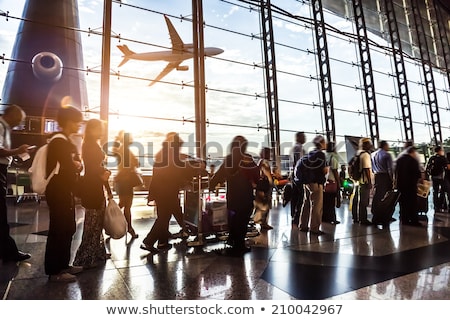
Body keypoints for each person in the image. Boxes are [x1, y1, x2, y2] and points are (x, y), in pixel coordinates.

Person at [141, 132, 204, 254]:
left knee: (164, 216)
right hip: (167, 191)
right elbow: (180, 170)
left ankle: (162, 242)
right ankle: (148, 241)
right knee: (163, 218)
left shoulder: (162, 153)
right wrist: (196, 168)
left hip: (160, 191)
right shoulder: (172, 155)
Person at [45, 106, 84, 282]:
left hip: (63, 190)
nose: (79, 125)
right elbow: (68, 167)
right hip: (58, 191)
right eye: (77, 121)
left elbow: (73, 165)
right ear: (69, 121)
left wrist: (76, 165)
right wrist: (76, 166)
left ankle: (63, 265)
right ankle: (55, 271)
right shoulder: (59, 141)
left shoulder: (63, 141)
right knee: (59, 229)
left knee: (68, 228)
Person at [210, 135, 259, 255]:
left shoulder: (228, 160)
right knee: (242, 222)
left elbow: (219, 175)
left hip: (232, 196)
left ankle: (233, 242)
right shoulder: (247, 159)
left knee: (235, 220)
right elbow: (256, 176)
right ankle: (239, 246)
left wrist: (211, 185)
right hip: (245, 196)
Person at [73, 119, 111, 269]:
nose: (102, 131)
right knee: (93, 222)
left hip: (94, 186)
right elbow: (94, 167)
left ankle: (97, 252)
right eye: (99, 128)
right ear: (93, 129)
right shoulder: (90, 145)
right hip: (93, 187)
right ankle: (85, 257)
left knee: (96, 222)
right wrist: (104, 173)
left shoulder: (89, 144)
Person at [0, 104, 32, 262]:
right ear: (11, 115)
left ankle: (7, 250)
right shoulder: (0, 126)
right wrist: (17, 151)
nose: (19, 123)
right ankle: (8, 251)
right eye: (18, 119)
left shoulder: (5, 129)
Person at [113, 131, 140, 239]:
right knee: (126, 206)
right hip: (125, 181)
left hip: (123, 181)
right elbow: (127, 166)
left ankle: (112, 222)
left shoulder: (122, 149)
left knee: (123, 204)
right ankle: (128, 228)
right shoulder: (125, 150)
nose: (132, 139)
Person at [299, 135, 328, 235]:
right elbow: (324, 170)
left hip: (307, 183)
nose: (326, 144)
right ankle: (314, 228)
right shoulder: (321, 154)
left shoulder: (310, 153)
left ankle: (303, 225)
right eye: (324, 142)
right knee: (317, 206)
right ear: (321, 143)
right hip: (316, 183)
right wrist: (327, 169)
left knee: (306, 203)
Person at [395, 146, 422, 226]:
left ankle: (404, 220)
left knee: (403, 203)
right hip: (411, 185)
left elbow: (395, 172)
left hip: (401, 185)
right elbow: (417, 174)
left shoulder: (399, 160)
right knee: (412, 203)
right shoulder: (413, 161)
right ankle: (414, 220)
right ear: (413, 152)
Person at [351, 137, 373, 225]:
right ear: (366, 145)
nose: (371, 145)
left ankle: (355, 217)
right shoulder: (366, 155)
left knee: (357, 200)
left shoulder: (357, 154)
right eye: (369, 143)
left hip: (357, 181)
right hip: (364, 181)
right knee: (364, 201)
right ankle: (363, 219)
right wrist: (369, 182)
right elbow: (366, 169)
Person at [371, 140, 394, 223]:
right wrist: (392, 179)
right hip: (385, 176)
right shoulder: (387, 155)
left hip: (377, 176)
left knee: (377, 195)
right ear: (384, 146)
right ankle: (384, 215)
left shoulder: (372, 154)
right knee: (387, 196)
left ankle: (375, 212)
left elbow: (372, 168)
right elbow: (390, 169)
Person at [253, 147, 273, 230]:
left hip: (260, 186)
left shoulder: (260, 162)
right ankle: (263, 223)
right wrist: (271, 181)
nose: (270, 155)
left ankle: (259, 222)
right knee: (264, 205)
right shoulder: (265, 162)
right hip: (264, 187)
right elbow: (267, 175)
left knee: (259, 205)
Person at [289, 131, 306, 227]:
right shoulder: (299, 148)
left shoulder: (293, 148)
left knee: (294, 197)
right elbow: (300, 163)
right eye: (303, 136)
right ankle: (297, 217)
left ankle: (294, 216)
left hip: (293, 175)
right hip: (299, 176)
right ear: (299, 138)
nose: (305, 138)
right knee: (301, 197)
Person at [425, 146, 448, 212]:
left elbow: (427, 167)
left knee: (435, 192)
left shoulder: (432, 158)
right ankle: (442, 205)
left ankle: (436, 206)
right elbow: (447, 167)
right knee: (443, 191)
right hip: (441, 177)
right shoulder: (443, 158)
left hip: (434, 177)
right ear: (440, 151)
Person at [322, 141, 340, 224]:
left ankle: (324, 217)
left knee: (325, 201)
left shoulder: (324, 156)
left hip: (324, 181)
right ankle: (332, 218)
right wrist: (338, 182)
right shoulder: (334, 156)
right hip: (332, 181)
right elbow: (335, 170)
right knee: (332, 201)